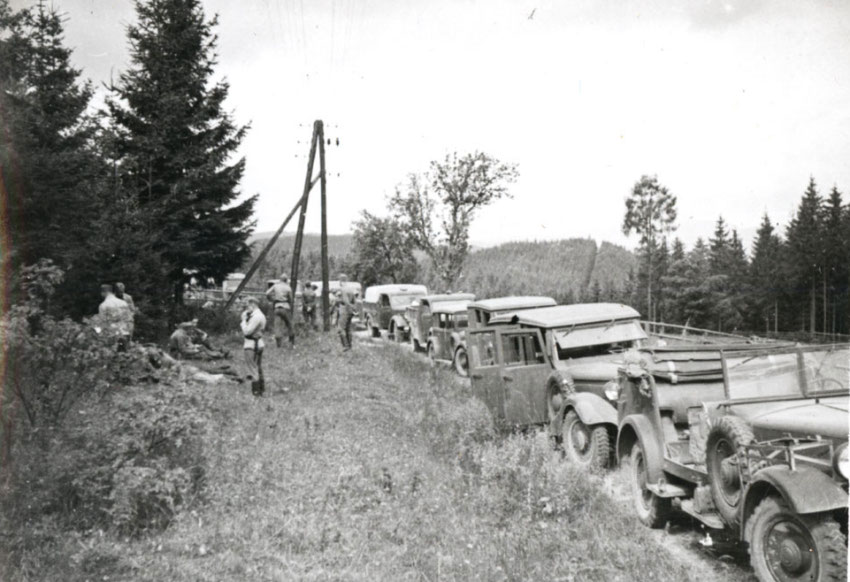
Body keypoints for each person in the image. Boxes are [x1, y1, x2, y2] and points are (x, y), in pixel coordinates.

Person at [240, 297, 267, 395]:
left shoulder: (256, 317)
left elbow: (247, 332)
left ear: (253, 304)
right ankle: (261, 389)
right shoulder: (258, 315)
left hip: (251, 344)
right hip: (258, 343)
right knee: (258, 367)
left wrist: (243, 321)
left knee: (252, 368)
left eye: (247, 306)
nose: (246, 308)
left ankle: (256, 392)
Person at [98, 284, 132, 351]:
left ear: (103, 292)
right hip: (125, 333)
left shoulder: (103, 305)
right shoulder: (123, 303)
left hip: (112, 334)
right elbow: (128, 319)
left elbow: (103, 322)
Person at [266, 274, 294, 347]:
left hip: (277, 307)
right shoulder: (288, 287)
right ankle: (291, 343)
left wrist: (272, 299)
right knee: (289, 325)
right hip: (286, 307)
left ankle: (279, 345)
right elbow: (291, 299)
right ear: (286, 280)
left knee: (277, 326)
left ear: (280, 279)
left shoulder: (275, 286)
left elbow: (267, 293)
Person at [336, 274, 356, 351]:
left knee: (340, 329)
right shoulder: (351, 289)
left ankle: (345, 346)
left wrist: (338, 300)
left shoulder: (342, 289)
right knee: (348, 328)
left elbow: (345, 301)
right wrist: (353, 309)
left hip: (344, 310)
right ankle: (350, 346)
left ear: (340, 281)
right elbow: (354, 301)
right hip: (350, 311)